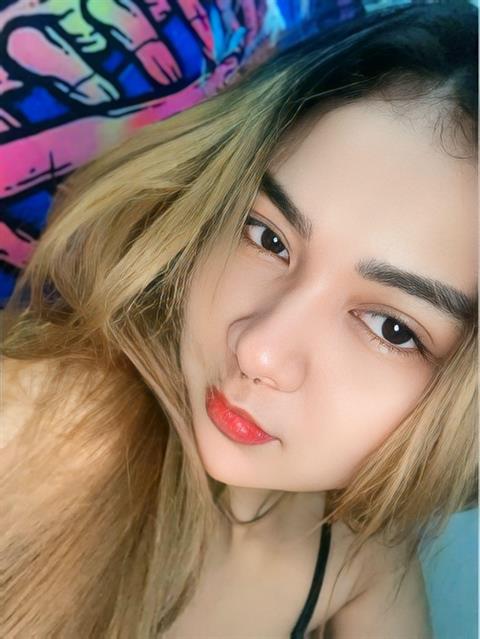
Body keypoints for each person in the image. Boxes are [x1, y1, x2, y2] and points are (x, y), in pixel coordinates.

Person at [1, 2, 477, 637]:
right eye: (267, 237)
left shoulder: (359, 562)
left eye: (393, 329)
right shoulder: (33, 421)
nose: (259, 351)